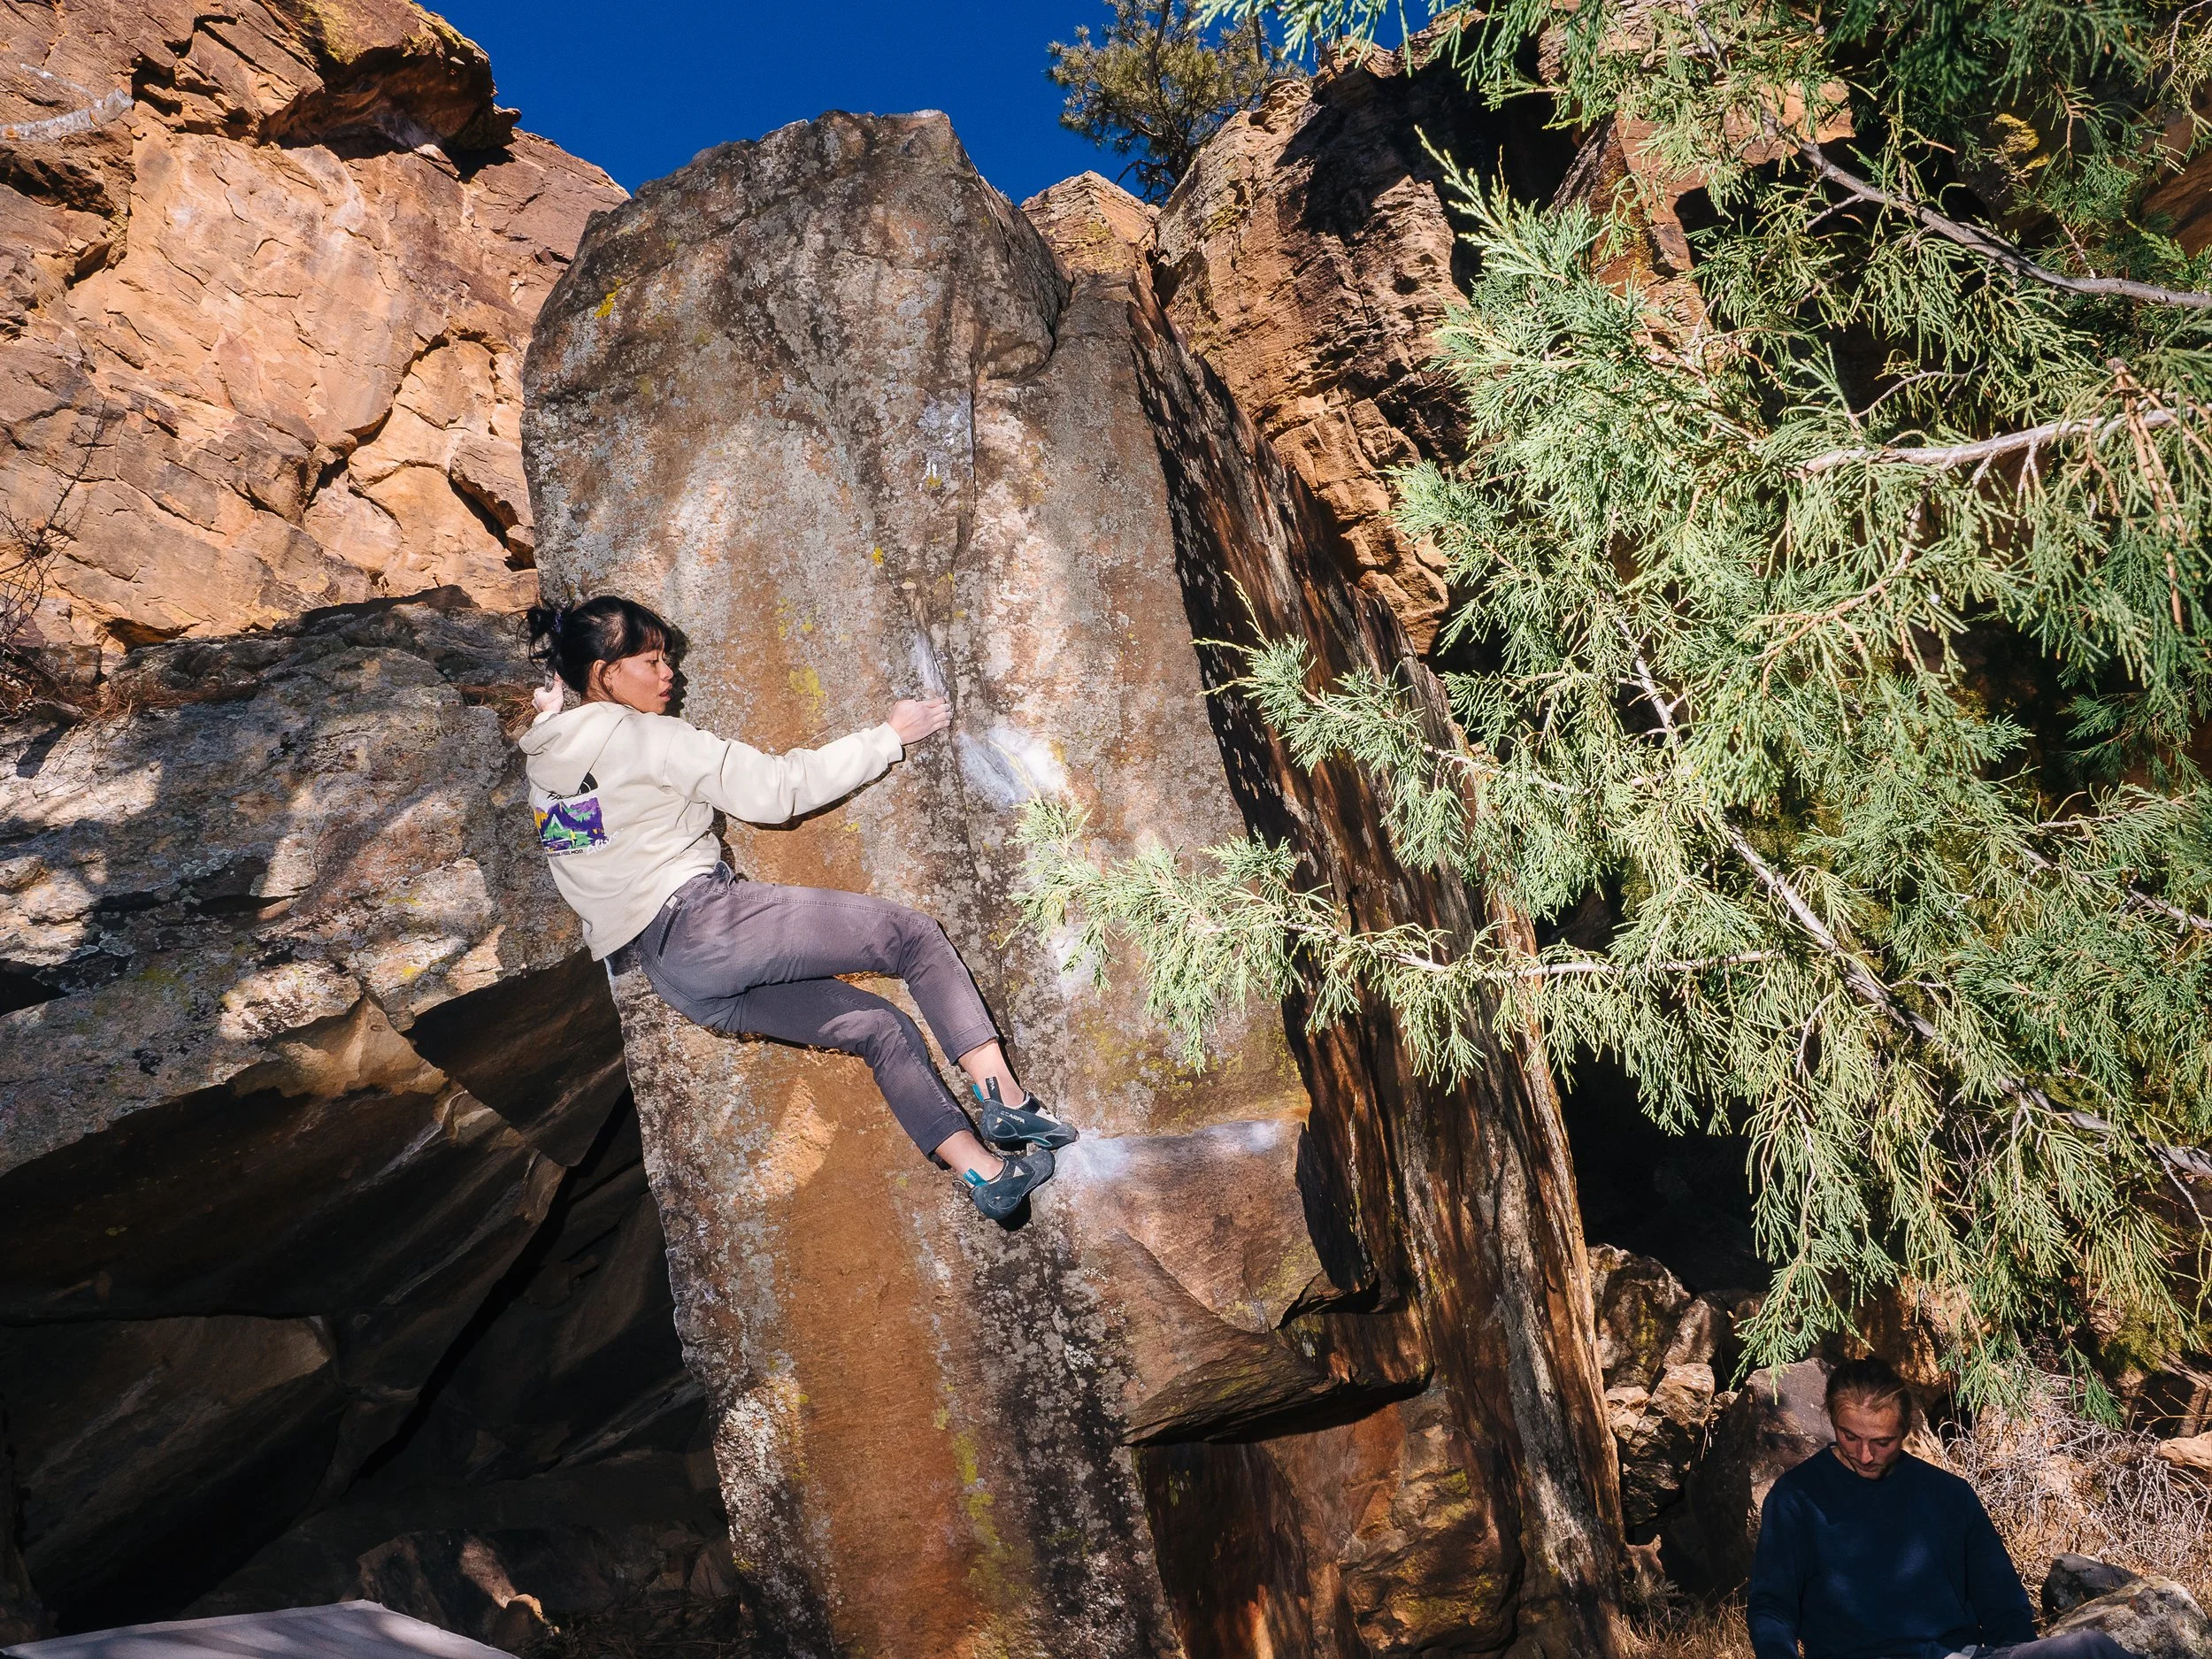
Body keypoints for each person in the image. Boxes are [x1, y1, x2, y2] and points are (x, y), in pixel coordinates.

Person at [517, 594, 1075, 1221]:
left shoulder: (545, 770)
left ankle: (989, 1173)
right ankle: (1007, 1099)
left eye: (667, 657)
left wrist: (552, 713)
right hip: (706, 923)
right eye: (651, 660)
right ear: (606, 673)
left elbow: (572, 764)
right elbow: (776, 791)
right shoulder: (646, 735)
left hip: (674, 977)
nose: (668, 672)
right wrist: (888, 736)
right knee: (911, 937)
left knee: (878, 1028)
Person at [1747, 1357, 2131, 1659]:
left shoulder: (1948, 1495)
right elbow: (1772, 1607)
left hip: (1956, 1656)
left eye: (1882, 1441)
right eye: (1850, 1437)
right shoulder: (1796, 1498)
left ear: (1906, 1430)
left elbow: (2003, 1605)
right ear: (1832, 1418)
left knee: (2092, 1650)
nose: (1865, 1455)